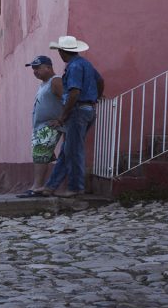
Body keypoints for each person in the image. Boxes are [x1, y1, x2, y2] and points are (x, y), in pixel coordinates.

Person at [41, 35, 105, 198]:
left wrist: (63, 116)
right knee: (67, 150)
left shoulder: (74, 67)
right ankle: (51, 186)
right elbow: (100, 80)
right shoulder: (85, 64)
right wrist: (96, 96)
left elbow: (74, 92)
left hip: (77, 111)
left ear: (63, 52)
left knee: (74, 151)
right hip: (88, 109)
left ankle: (75, 187)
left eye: (59, 51)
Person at [16, 55, 64, 198]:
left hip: (50, 125)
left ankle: (37, 186)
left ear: (48, 67)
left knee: (41, 155)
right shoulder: (44, 84)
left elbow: (67, 100)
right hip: (41, 127)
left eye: (37, 68)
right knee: (40, 155)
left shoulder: (55, 81)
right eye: (33, 69)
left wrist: (61, 119)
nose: (35, 71)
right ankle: (38, 186)